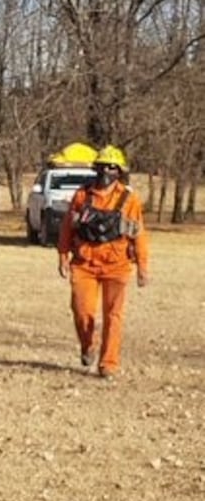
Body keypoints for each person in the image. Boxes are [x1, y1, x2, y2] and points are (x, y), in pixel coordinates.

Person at [57, 145, 150, 381]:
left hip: (116, 266)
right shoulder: (81, 196)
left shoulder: (130, 200)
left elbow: (138, 233)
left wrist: (142, 266)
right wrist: (62, 256)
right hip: (84, 263)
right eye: (101, 166)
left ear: (119, 171)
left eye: (111, 167)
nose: (106, 171)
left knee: (113, 316)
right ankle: (88, 344)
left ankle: (108, 363)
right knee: (81, 310)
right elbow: (68, 228)